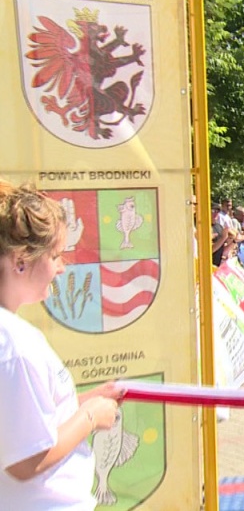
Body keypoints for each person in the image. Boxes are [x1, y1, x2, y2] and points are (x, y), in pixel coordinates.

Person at [0, 179, 124, 510]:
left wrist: (89, 399)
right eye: (55, 255)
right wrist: (90, 415)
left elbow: (25, 419)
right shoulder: (14, 346)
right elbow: (27, 460)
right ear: (21, 260)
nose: (60, 267)